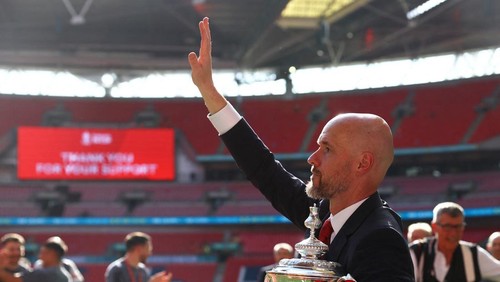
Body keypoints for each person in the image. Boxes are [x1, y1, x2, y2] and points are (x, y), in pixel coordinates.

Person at [188, 17, 414, 281]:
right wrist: (208, 90)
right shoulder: (325, 213)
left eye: (327, 149)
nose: (312, 158)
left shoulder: (380, 237)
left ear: (362, 164)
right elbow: (264, 170)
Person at [409, 202, 500, 282]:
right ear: (434, 227)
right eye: (447, 227)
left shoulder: (474, 254)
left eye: (458, 227)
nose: (453, 233)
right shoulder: (416, 253)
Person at [105, 232, 172, 282]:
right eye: (148, 249)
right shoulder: (116, 269)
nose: (150, 253)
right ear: (138, 249)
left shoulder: (143, 271)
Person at [0, 236, 73, 282]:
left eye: (42, 253)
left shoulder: (39, 273)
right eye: (11, 249)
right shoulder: (64, 275)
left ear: (52, 254)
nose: (40, 257)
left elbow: (12, 280)